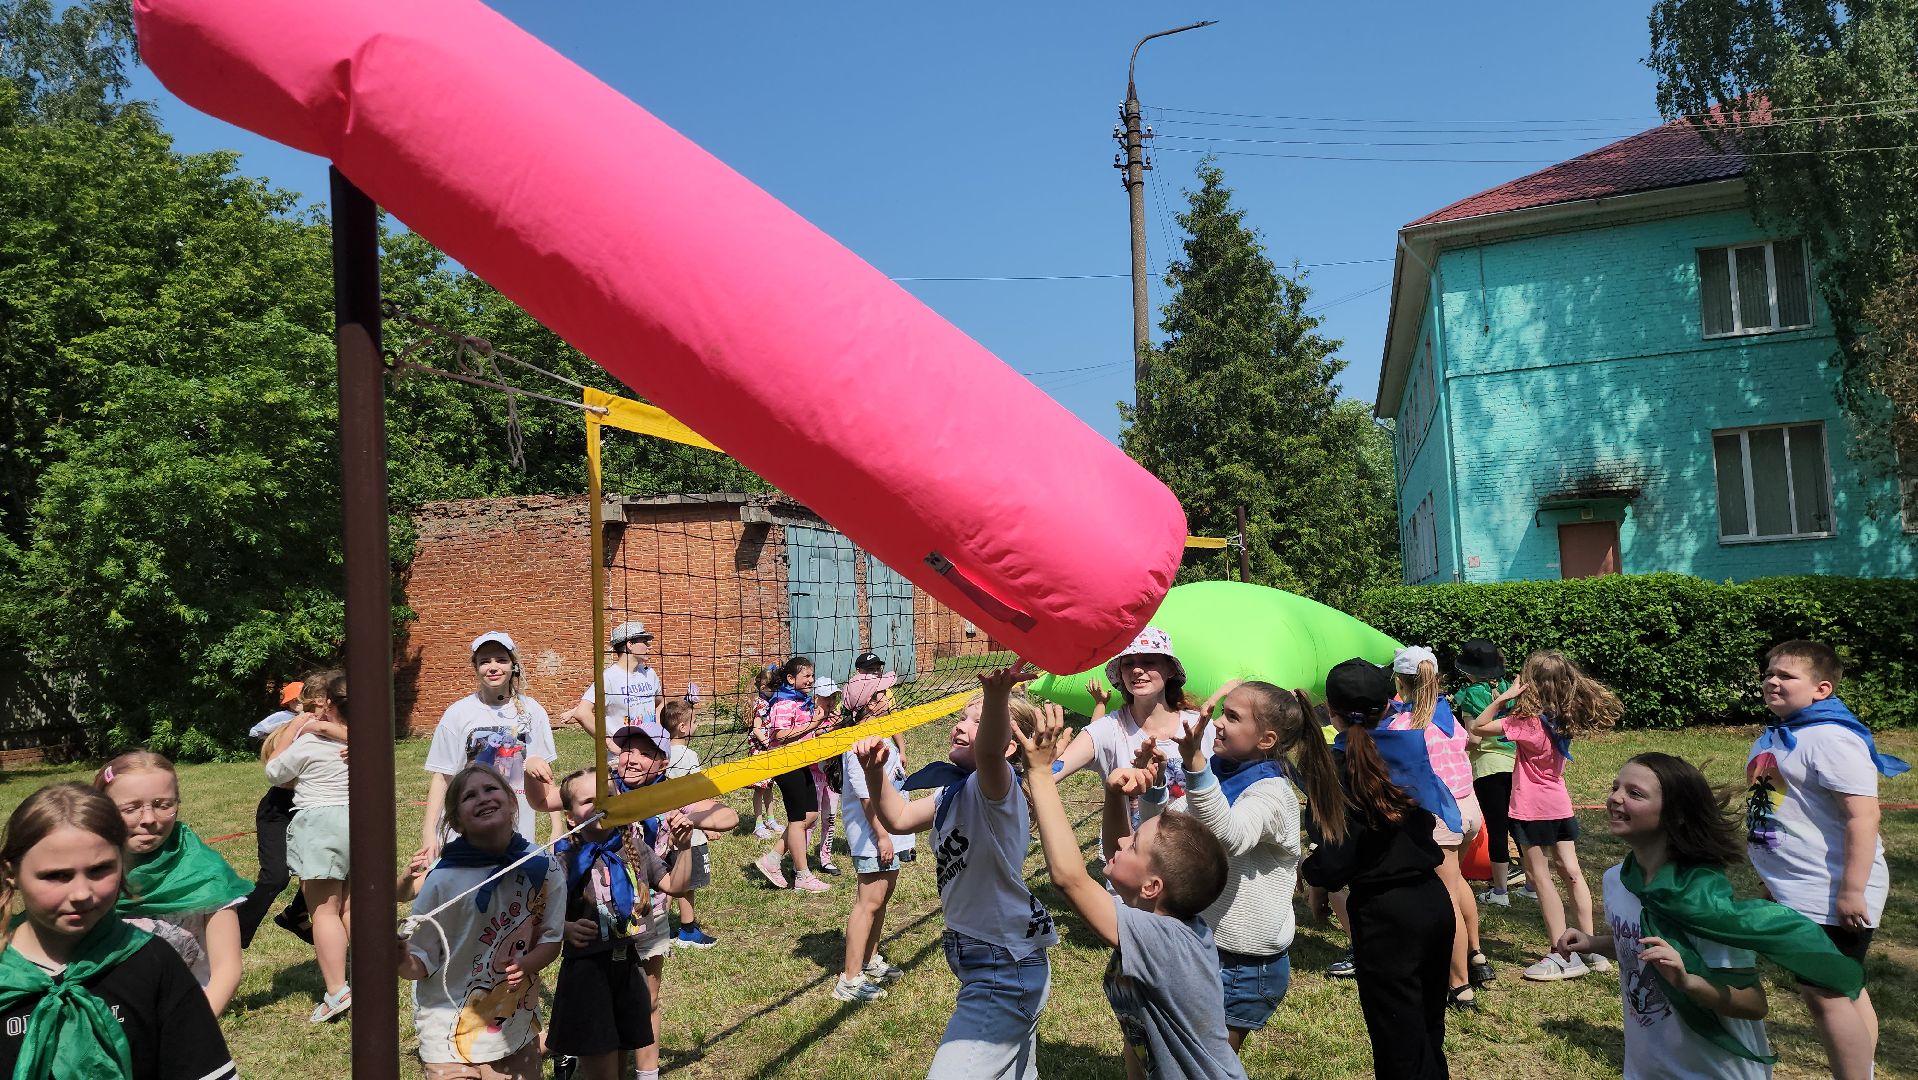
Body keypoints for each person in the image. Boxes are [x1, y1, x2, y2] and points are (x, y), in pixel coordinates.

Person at [1557, 753, 1866, 1079]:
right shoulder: (1617, 880)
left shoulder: (1703, 904)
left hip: (1716, 1070)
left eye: (1634, 793)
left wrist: (1687, 981)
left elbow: (1753, 1003)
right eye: (1615, 787)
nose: (1615, 798)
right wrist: (1593, 943)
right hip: (1647, 1066)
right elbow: (1637, 946)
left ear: (1675, 816)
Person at [1017, 694, 1245, 1080]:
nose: (1124, 842)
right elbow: (1114, 856)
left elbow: (1071, 877)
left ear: (1153, 886)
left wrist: (1040, 776)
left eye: (1135, 844)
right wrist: (1113, 796)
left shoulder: (1165, 940)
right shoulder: (1156, 912)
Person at [855, 667, 1057, 1079]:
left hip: (1003, 964)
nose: (961, 726)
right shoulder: (953, 789)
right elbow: (898, 817)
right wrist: (875, 773)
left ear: (1008, 748)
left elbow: (989, 751)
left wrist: (998, 696)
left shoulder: (996, 788)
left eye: (977, 722)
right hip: (989, 955)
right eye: (962, 718)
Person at [525, 717, 738, 1080]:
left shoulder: (669, 792)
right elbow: (546, 798)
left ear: (664, 762)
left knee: (642, 1003)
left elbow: (728, 817)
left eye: (647, 752)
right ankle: (556, 1047)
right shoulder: (605, 789)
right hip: (592, 932)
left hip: (646, 915)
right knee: (596, 1021)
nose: (633, 758)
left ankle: (646, 1072)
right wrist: (530, 770)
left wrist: (685, 813)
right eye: (627, 749)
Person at [1123, 680, 1313, 1053]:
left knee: (1206, 1062)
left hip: (1242, 964)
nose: (1219, 724)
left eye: (1232, 716)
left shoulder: (1272, 793)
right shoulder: (1219, 774)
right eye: (1222, 713)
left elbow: (1227, 837)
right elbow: (1166, 834)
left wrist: (1195, 766)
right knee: (1167, 1052)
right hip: (1198, 944)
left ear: (1266, 739)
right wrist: (1155, 786)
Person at [0, 783, 238, 1080]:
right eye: (56, 876)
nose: (81, 893)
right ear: (12, 875)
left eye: (100, 870)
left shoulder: (152, 962)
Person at [1745, 640, 1905, 1080]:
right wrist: (1772, 877)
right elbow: (1778, 808)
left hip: (1831, 889)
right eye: (1770, 672)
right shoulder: (1778, 734)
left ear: (1822, 688)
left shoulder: (1832, 738)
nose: (1772, 681)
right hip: (1797, 885)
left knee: (1826, 995)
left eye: (1787, 676)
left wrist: (1852, 891)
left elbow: (1863, 815)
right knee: (1845, 990)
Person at [1302, 658, 1452, 1080]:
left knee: (1397, 1043)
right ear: (1390, 704)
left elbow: (1336, 857)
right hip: (1433, 901)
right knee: (1426, 1029)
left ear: (1331, 712)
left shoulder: (1338, 768)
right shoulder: (1409, 752)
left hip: (1386, 914)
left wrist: (1309, 870)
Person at [398, 763, 566, 1079]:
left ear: (513, 801)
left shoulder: (543, 868)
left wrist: (528, 963)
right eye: (469, 796)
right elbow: (418, 962)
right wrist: (400, 958)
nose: (483, 798)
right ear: (456, 821)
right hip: (446, 1029)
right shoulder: (442, 880)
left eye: (491, 789)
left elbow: (551, 939)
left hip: (514, 1024)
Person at [1469, 649, 1620, 981]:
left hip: (1530, 808)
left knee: (1540, 877)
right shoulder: (1565, 716)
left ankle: (1562, 954)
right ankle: (1590, 948)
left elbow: (1478, 727)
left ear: (1530, 683)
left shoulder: (1524, 723)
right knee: (1573, 873)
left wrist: (1505, 697)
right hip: (1560, 804)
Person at [548, 769, 697, 1080]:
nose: (601, 805)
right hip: (588, 974)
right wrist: (565, 929)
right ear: (571, 817)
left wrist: (684, 847)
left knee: (619, 1059)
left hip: (627, 966)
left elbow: (677, 885)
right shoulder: (566, 860)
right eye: (589, 800)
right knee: (602, 1068)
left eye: (608, 797)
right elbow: (538, 916)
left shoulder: (634, 849)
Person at [92, 752, 251, 1015]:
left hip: (183, 1011)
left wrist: (195, 1028)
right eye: (131, 808)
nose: (149, 819)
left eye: (163, 804)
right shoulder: (83, 869)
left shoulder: (204, 871)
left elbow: (228, 969)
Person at [1390, 646, 1492, 1009]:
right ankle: (1477, 956)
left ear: (1399, 681)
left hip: (1441, 815)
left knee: (1445, 896)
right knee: (1457, 881)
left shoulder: (1402, 726)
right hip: (1469, 810)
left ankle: (1459, 983)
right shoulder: (1447, 716)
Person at [420, 632, 560, 867]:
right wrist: (429, 833)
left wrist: (556, 826)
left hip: (517, 825)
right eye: (485, 661)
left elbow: (544, 773)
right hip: (469, 827)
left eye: (500, 660)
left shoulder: (532, 711)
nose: (493, 667)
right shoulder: (457, 714)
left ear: (513, 665)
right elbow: (442, 776)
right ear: (475, 667)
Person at [264, 669, 355, 1022]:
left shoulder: (310, 741)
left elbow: (274, 772)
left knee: (324, 910)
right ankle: (370, 977)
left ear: (327, 704)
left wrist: (295, 728)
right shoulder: (363, 739)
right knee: (351, 905)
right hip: (358, 822)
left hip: (319, 823)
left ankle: (336, 991)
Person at [833, 714, 914, 1002]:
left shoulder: (886, 734)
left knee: (881, 899)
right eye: (880, 694)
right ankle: (849, 979)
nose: (887, 698)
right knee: (867, 903)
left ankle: (870, 957)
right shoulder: (858, 743)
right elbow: (867, 799)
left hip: (891, 835)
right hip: (872, 837)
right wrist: (882, 836)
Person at [238, 679, 314, 947]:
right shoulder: (285, 729)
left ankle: (295, 914)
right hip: (279, 809)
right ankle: (235, 934)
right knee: (276, 877)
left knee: (326, 870)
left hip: (315, 806)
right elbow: (279, 776)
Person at [754, 656, 833, 893]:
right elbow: (780, 735)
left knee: (810, 816)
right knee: (798, 821)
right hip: (785, 763)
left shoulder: (802, 701)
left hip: (801, 762)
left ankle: (772, 859)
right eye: (806, 676)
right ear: (791, 679)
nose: (810, 680)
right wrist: (813, 725)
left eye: (811, 675)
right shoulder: (782, 703)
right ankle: (802, 876)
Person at [1452, 641, 1519, 907]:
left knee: (1497, 827)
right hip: (1516, 764)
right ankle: (1531, 884)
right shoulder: (1510, 690)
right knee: (1517, 824)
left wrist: (1457, 749)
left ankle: (1500, 892)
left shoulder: (1468, 695)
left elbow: (1475, 739)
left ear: (1469, 671)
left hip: (1488, 768)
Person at [659, 698, 716, 950]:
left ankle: (661, 928)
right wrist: (709, 823)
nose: (697, 724)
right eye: (693, 721)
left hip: (665, 828)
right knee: (687, 883)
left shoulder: (660, 754)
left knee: (666, 878)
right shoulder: (689, 754)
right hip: (687, 829)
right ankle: (688, 930)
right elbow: (696, 792)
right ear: (682, 727)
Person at [562, 620, 663, 739]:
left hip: (651, 751)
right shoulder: (608, 678)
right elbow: (582, 713)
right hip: (623, 754)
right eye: (645, 642)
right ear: (630, 645)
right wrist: (610, 743)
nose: (649, 646)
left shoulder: (649, 674)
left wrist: (658, 732)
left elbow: (660, 703)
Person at [811, 676, 845, 875]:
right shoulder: (810, 717)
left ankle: (826, 858)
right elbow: (814, 736)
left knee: (830, 818)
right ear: (816, 698)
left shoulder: (837, 716)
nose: (830, 701)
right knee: (810, 820)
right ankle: (802, 860)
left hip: (832, 774)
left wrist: (840, 725)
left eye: (833, 696)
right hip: (814, 774)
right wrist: (829, 727)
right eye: (826, 697)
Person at [748, 663, 780, 839]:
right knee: (760, 789)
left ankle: (771, 819)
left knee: (769, 787)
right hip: (760, 751)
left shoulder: (768, 701)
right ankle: (758, 824)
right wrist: (768, 743)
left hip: (768, 751)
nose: (774, 691)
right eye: (772, 688)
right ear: (763, 687)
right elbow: (756, 729)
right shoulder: (760, 704)